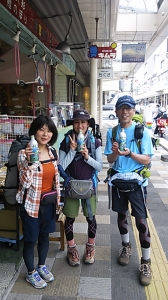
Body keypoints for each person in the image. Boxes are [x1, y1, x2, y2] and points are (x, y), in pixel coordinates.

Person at [104, 95, 154, 286]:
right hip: (118, 180)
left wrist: (131, 153)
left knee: (141, 222)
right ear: (116, 111)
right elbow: (109, 160)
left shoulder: (143, 132)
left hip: (137, 182)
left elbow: (147, 159)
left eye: (128, 108)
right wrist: (116, 152)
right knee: (121, 216)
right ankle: (126, 247)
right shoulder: (113, 132)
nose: (125, 111)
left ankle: (146, 262)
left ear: (134, 111)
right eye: (121, 108)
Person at [16, 115, 60, 289]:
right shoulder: (23, 153)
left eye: (49, 130)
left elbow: (55, 179)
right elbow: (24, 183)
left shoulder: (52, 151)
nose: (45, 134)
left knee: (44, 237)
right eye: (42, 129)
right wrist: (29, 163)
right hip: (31, 205)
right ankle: (30, 272)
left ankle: (41, 266)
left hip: (48, 203)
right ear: (34, 130)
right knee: (30, 240)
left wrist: (58, 202)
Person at [59, 109, 103, 267]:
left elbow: (99, 166)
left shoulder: (94, 142)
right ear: (73, 124)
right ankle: (72, 249)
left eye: (83, 122)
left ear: (88, 124)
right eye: (76, 122)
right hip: (71, 185)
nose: (79, 125)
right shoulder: (65, 141)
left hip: (89, 185)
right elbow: (61, 167)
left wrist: (87, 157)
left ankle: (90, 247)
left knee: (90, 218)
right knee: (70, 218)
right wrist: (71, 151)